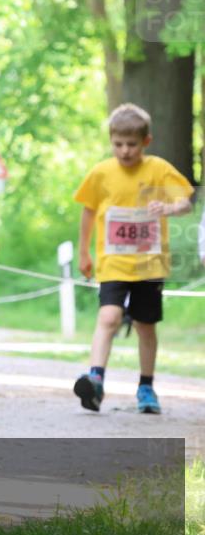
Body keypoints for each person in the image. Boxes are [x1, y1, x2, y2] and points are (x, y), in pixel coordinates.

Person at [72, 103, 193, 415]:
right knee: (108, 317)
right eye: (118, 144)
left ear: (146, 142)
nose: (124, 151)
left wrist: (169, 208)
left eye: (132, 145)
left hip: (149, 264)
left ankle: (146, 387)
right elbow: (87, 210)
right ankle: (95, 379)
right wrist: (83, 251)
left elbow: (186, 202)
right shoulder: (101, 173)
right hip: (113, 261)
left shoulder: (158, 169)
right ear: (111, 140)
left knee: (145, 326)